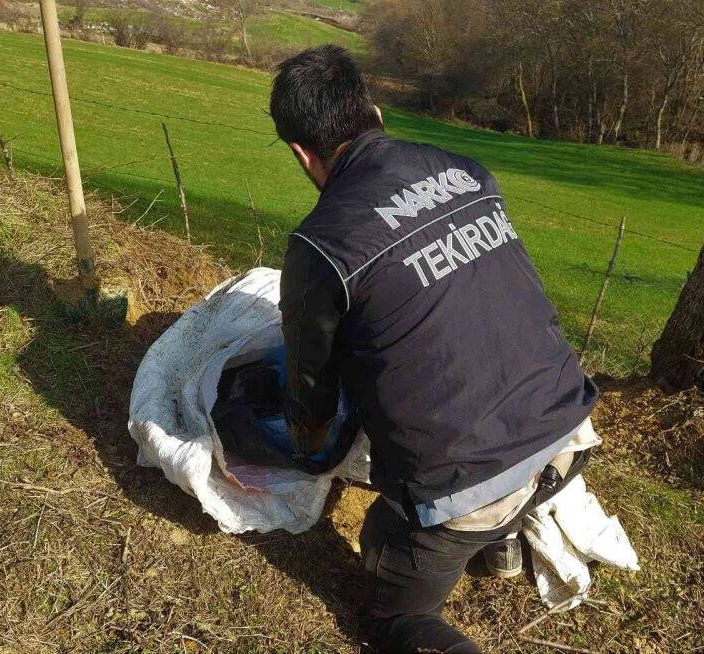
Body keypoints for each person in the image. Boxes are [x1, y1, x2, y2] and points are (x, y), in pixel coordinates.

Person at [270, 45, 599, 654]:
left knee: (388, 578)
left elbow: (311, 390)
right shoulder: (466, 170)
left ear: (301, 152)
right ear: (372, 109)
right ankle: (501, 536)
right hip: (566, 433)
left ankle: (479, 539)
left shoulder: (322, 245)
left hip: (469, 485)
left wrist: (306, 446)